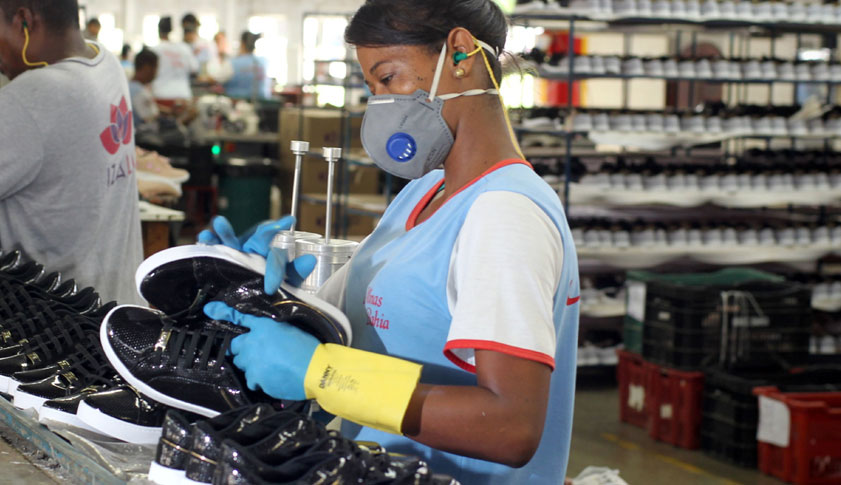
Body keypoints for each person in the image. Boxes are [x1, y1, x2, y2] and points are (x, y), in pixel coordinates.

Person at [200, 0, 580, 483]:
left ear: (460, 54)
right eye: (370, 86)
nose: (379, 103)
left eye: (389, 78)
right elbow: (355, 328)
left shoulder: (504, 215)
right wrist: (258, 291)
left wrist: (323, 376)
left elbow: (512, 427)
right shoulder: (423, 193)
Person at [0, 0, 144, 305]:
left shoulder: (31, 98)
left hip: (55, 332)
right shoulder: (105, 63)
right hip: (116, 311)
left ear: (24, 21)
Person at [150, 16, 198, 102]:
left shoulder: (155, 50)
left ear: (158, 31)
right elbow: (194, 69)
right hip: (183, 95)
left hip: (160, 95)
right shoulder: (185, 49)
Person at [222, 31, 270, 100]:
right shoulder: (264, 62)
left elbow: (219, 79)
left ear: (242, 44)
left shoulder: (232, 63)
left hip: (238, 104)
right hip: (263, 105)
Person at [129, 48, 160, 130]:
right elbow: (149, 119)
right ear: (147, 68)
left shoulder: (128, 87)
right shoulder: (140, 93)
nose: (157, 72)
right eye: (156, 67)